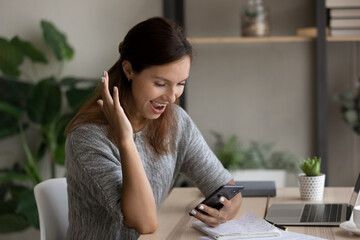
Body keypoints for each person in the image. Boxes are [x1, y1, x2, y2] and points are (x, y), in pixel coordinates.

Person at [65, 17, 242, 240]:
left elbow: (227, 188)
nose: (171, 97)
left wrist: (225, 212)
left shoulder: (175, 121)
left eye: (181, 83)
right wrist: (126, 139)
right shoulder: (87, 137)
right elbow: (144, 223)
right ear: (129, 70)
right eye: (160, 84)